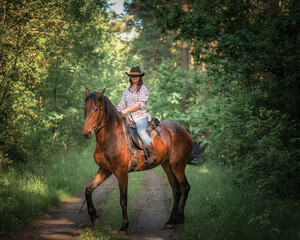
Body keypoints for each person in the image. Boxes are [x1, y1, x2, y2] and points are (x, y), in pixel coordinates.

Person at [117, 66, 156, 166]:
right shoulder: (126, 91)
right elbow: (121, 104)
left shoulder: (143, 89)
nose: (134, 77)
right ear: (130, 77)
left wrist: (125, 110)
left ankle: (152, 154)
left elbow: (140, 104)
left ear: (139, 77)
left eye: (136, 76)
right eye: (132, 76)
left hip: (140, 117)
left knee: (141, 132)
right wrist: (117, 110)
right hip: (128, 118)